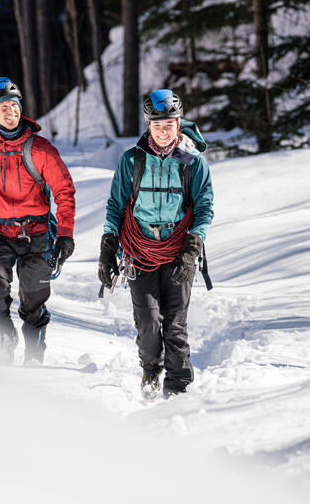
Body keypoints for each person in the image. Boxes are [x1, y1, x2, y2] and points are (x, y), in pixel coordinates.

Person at [99, 89, 214, 399]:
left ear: (179, 124)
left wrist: (193, 246)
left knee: (175, 326)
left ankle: (177, 389)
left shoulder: (192, 162)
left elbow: (204, 206)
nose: (164, 131)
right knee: (149, 322)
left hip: (180, 251)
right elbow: (116, 204)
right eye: (157, 124)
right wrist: (108, 246)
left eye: (170, 124)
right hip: (139, 249)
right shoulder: (132, 160)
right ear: (148, 124)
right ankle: (151, 369)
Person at [0, 76, 76, 365]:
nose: (11, 112)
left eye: (14, 105)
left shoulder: (41, 149)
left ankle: (34, 349)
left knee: (34, 295)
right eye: (3, 107)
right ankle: (5, 335)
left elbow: (65, 192)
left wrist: (66, 235)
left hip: (37, 232)